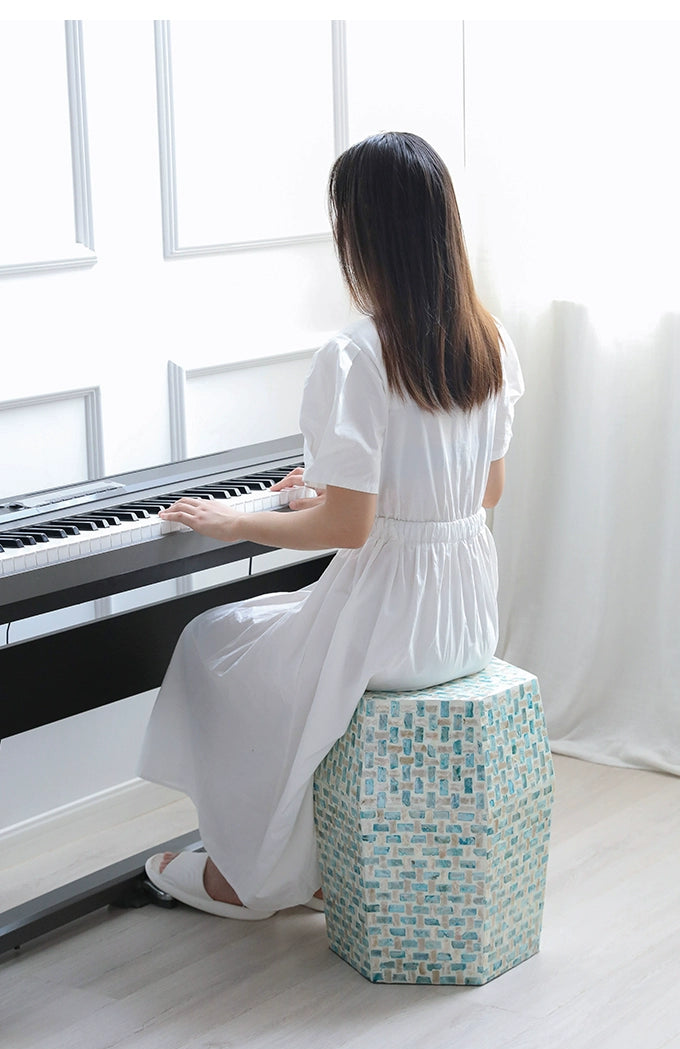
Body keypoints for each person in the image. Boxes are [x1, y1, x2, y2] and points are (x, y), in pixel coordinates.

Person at [139, 131, 524, 919]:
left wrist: (238, 522)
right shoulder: (487, 341)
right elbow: (487, 488)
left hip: (389, 622)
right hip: (464, 617)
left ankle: (248, 875)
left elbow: (351, 531)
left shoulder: (355, 354)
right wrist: (331, 494)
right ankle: (310, 861)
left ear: (363, 235)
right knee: (275, 645)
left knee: (218, 643)